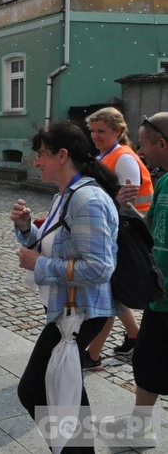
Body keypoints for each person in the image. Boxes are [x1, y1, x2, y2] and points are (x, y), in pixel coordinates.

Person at [9, 123, 121, 452]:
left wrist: (38, 265)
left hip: (82, 312)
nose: (36, 162)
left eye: (41, 154)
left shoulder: (85, 198)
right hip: (69, 308)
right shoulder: (67, 194)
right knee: (68, 390)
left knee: (34, 390)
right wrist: (27, 229)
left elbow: (100, 267)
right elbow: (57, 245)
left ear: (62, 155)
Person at [82, 107, 153, 371]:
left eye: (102, 131)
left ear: (118, 131)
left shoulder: (123, 158)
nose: (95, 136)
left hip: (128, 235)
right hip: (115, 231)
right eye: (93, 130)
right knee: (114, 291)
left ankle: (93, 355)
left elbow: (128, 206)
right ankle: (134, 335)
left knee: (109, 294)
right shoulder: (106, 155)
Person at [112, 113, 168, 434]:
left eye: (143, 143)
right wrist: (126, 211)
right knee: (145, 364)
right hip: (159, 298)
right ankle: (140, 425)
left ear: (162, 143)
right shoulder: (164, 181)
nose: (139, 151)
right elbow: (149, 228)